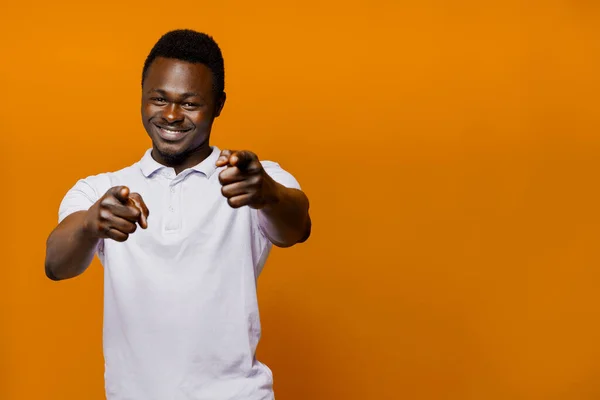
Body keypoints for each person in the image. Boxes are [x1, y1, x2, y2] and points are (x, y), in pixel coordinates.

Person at [44, 29, 311, 400]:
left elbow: (296, 227)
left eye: (189, 103)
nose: (170, 115)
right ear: (141, 96)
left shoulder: (251, 178)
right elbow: (56, 264)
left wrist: (267, 195)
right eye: (158, 98)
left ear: (218, 104)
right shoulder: (100, 190)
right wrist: (91, 225)